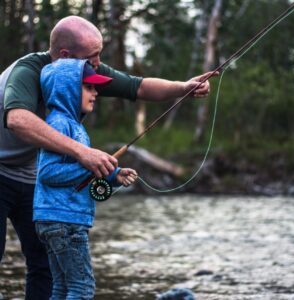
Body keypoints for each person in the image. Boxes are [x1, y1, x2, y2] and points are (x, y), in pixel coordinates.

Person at [0, 15, 215, 299]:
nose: (99, 62)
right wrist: (83, 153)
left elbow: (137, 86)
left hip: (32, 173)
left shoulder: (86, 73)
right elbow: (17, 119)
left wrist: (182, 88)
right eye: (94, 55)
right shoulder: (29, 71)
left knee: (45, 264)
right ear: (66, 54)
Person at [33, 58, 138, 299]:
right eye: (88, 87)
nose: (95, 93)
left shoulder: (75, 127)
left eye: (95, 88)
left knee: (61, 287)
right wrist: (90, 167)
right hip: (63, 220)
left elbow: (82, 170)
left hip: (57, 218)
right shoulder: (60, 124)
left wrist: (114, 175)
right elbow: (47, 173)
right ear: (68, 89)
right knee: (82, 287)